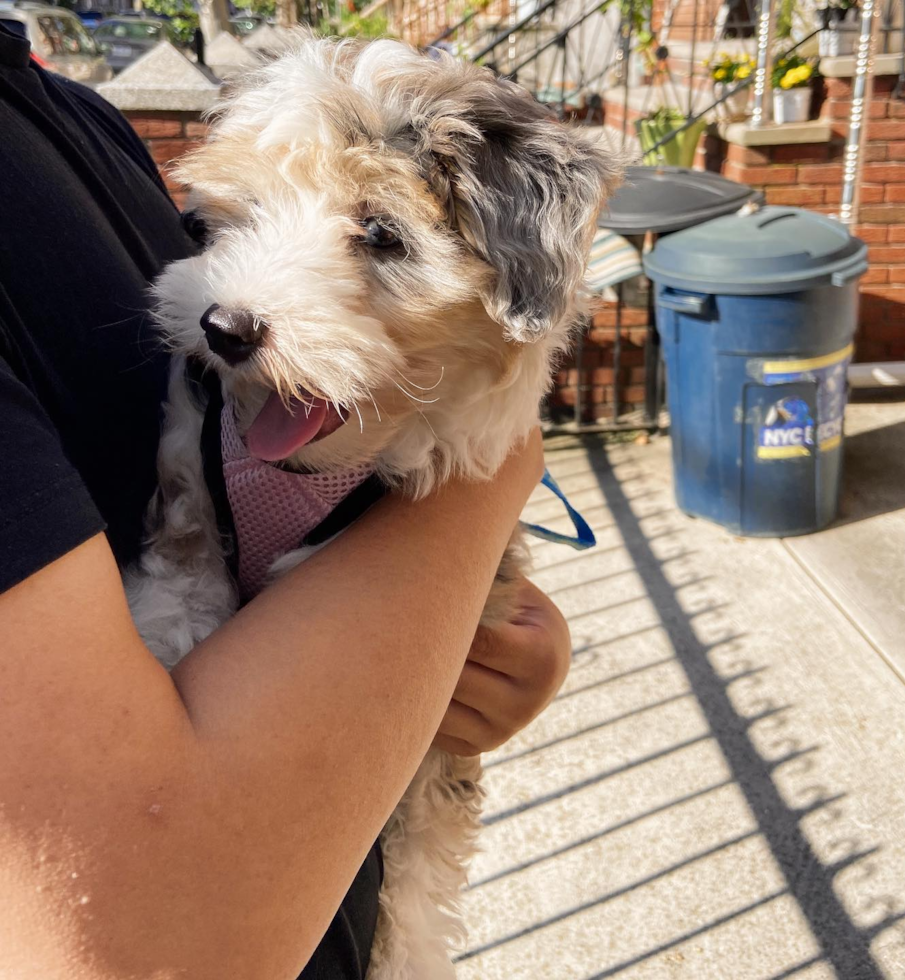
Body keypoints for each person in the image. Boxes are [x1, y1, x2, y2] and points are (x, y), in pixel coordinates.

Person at [0, 24, 570, 979]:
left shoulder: (71, 118)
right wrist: (488, 490)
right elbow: (141, 934)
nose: (237, 301)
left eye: (378, 235)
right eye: (242, 216)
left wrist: (458, 644)